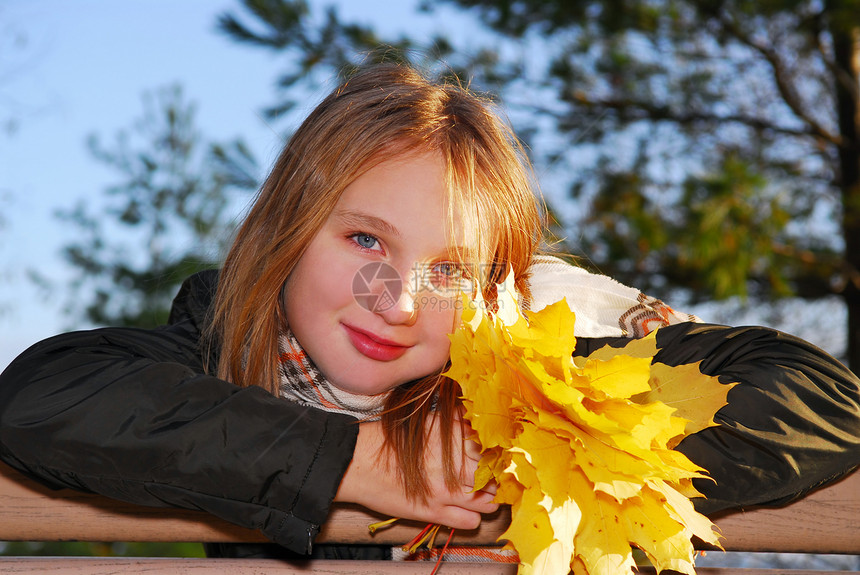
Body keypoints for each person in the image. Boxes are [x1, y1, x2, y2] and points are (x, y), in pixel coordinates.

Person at [0, 63, 858, 562]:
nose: (400, 302)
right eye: (367, 241)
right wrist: (355, 458)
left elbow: (825, 392)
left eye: (450, 269)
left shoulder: (534, 366)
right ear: (290, 230)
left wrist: (557, 458)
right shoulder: (220, 345)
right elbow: (44, 397)